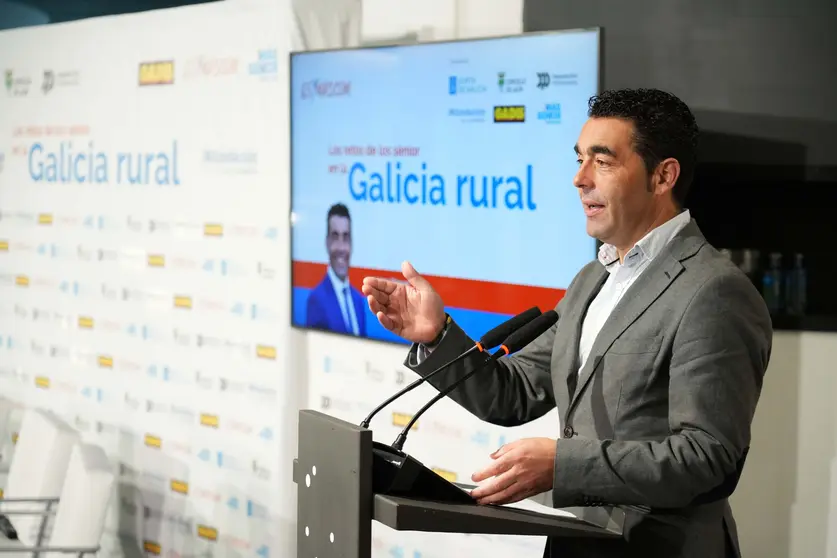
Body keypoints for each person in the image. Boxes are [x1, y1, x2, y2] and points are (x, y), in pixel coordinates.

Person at [361, 88, 772, 558]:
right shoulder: (593, 278)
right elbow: (514, 392)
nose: (579, 179)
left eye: (603, 161)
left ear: (663, 176)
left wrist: (563, 467)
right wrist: (436, 334)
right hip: (579, 543)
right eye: (579, 159)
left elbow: (708, 459)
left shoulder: (714, 292)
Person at [306, 203, 367, 336]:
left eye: (346, 237)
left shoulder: (358, 301)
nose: (341, 247)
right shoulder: (316, 300)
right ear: (327, 242)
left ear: (351, 243)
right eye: (335, 237)